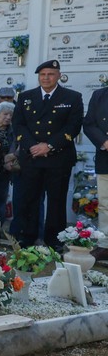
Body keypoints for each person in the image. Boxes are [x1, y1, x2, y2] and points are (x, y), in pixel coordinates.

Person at [12, 59, 84, 250]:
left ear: (58, 75)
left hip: (58, 158)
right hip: (31, 156)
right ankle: (27, 238)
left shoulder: (72, 97)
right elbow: (18, 124)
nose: (46, 78)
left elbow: (73, 127)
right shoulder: (26, 97)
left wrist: (49, 146)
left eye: (50, 74)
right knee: (30, 199)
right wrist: (32, 146)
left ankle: (55, 240)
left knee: (57, 201)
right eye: (42, 74)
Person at [81, 79, 108, 263]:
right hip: (106, 156)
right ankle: (105, 245)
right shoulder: (99, 95)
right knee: (106, 204)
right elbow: (89, 124)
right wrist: (104, 142)